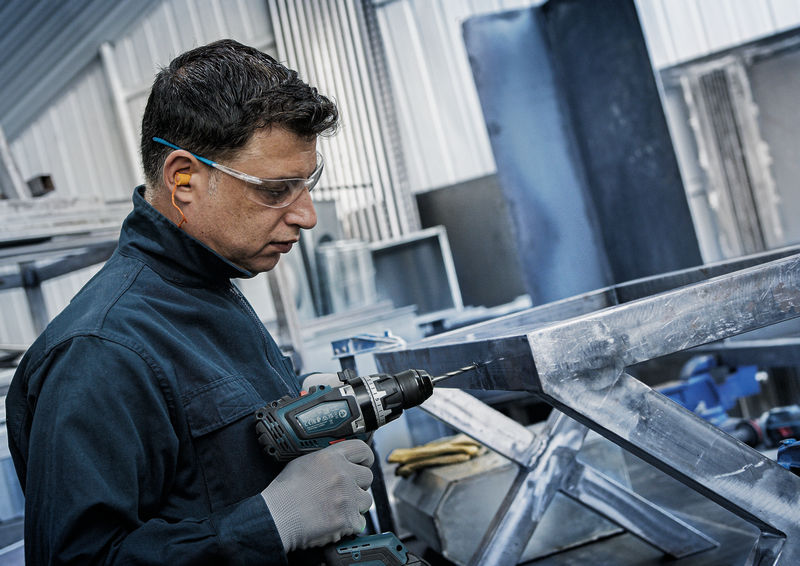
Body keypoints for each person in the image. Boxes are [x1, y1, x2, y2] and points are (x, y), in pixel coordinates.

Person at [5, 39, 375, 565]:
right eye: (277, 190)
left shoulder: (211, 289)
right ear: (184, 180)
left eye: (307, 183)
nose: (307, 216)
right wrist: (272, 523)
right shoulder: (100, 353)